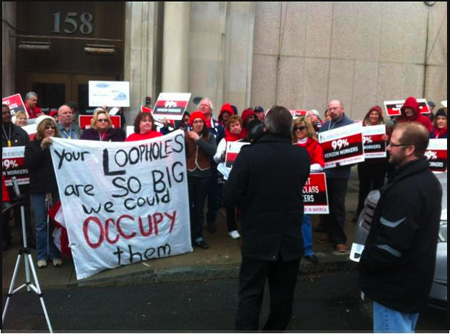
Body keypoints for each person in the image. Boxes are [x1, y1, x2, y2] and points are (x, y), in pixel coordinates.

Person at [224, 106, 310, 331]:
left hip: (257, 238)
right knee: (283, 300)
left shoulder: (250, 154)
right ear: (289, 129)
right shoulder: (301, 155)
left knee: (250, 296)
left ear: (265, 127)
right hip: (289, 240)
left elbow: (230, 196)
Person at [359, 122, 442, 333]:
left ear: (410, 149)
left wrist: (366, 262)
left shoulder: (407, 189)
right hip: (411, 282)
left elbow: (390, 246)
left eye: (393, 144)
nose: (388, 148)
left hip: (395, 287)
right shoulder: (427, 180)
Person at [24, 115, 63, 268]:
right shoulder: (32, 145)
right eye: (46, 127)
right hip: (39, 190)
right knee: (40, 224)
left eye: (52, 127)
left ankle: (55, 253)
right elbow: (30, 164)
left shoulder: (60, 144)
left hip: (55, 188)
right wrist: (42, 148)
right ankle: (42, 254)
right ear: (40, 129)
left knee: (55, 222)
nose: (50, 130)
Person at [318, 100, 354, 252]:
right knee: (325, 205)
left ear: (342, 109)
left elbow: (355, 151)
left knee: (338, 206)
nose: (332, 111)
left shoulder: (350, 126)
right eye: (330, 108)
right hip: (325, 172)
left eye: (335, 108)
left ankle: (339, 239)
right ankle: (328, 231)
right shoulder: (326, 126)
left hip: (340, 174)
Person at [2, 104, 35, 251]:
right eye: (3, 113)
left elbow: (28, 152)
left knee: (23, 208)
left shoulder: (21, 133)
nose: (7, 115)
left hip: (20, 178)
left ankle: (26, 238)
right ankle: (4, 239)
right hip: (3, 181)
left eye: (8, 112)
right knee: (4, 211)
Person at [293, 117, 325, 264]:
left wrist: (301, 169)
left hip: (308, 185)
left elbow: (320, 164)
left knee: (305, 218)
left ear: (308, 129)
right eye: (296, 129)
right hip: (292, 185)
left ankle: (307, 249)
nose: (298, 131)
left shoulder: (314, 145)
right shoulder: (291, 145)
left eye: (301, 128)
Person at [186, 111, 217, 249]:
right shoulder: (185, 137)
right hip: (189, 174)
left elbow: (212, 151)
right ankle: (187, 236)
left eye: (200, 121)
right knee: (188, 207)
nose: (198, 124)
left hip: (204, 176)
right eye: (195, 121)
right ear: (191, 124)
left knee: (199, 208)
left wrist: (198, 140)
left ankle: (198, 236)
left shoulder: (210, 137)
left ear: (204, 123)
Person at [214, 115, 245, 240]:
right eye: (232, 126)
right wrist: (223, 155)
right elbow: (215, 158)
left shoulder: (246, 139)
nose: (235, 127)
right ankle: (232, 228)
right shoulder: (224, 141)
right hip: (229, 176)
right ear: (228, 128)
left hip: (243, 176)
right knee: (230, 204)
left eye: (237, 124)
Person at [356, 106, 390, 218]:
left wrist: (387, 139)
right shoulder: (361, 126)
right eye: (372, 114)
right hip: (364, 163)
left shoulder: (385, 128)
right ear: (368, 115)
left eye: (376, 114)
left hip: (379, 163)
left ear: (379, 116)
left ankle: (375, 212)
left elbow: (392, 141)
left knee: (377, 187)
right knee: (363, 188)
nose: (374, 116)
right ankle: (360, 211)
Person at [198, 98, 224, 233]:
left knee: (213, 197)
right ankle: (198, 223)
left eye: (205, 105)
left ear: (211, 109)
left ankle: (211, 221)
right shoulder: (194, 124)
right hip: (197, 167)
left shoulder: (218, 127)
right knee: (199, 198)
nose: (202, 107)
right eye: (201, 105)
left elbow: (222, 144)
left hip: (212, 166)